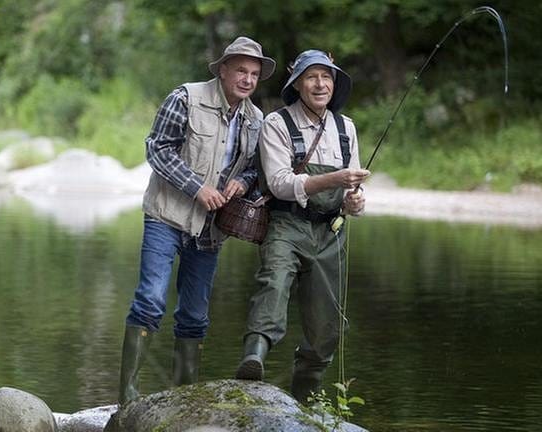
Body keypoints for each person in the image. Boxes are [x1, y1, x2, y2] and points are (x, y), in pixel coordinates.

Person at [117, 36, 276, 405]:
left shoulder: (256, 120)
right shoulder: (186, 97)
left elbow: (255, 168)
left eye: (254, 73)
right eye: (240, 70)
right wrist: (196, 187)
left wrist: (243, 180)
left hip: (211, 229)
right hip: (166, 216)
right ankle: (126, 397)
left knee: (194, 316)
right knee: (150, 300)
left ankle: (182, 401)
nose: (248, 79)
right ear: (222, 69)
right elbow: (156, 148)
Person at [234, 50, 370, 403]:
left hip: (331, 233)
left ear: (334, 83)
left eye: (326, 77)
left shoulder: (347, 128)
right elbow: (279, 183)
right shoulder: (278, 124)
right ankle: (253, 360)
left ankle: (304, 402)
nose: (320, 84)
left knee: (327, 324)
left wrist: (354, 201)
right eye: (312, 77)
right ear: (297, 84)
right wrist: (335, 180)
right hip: (287, 225)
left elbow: (352, 189)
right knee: (274, 284)